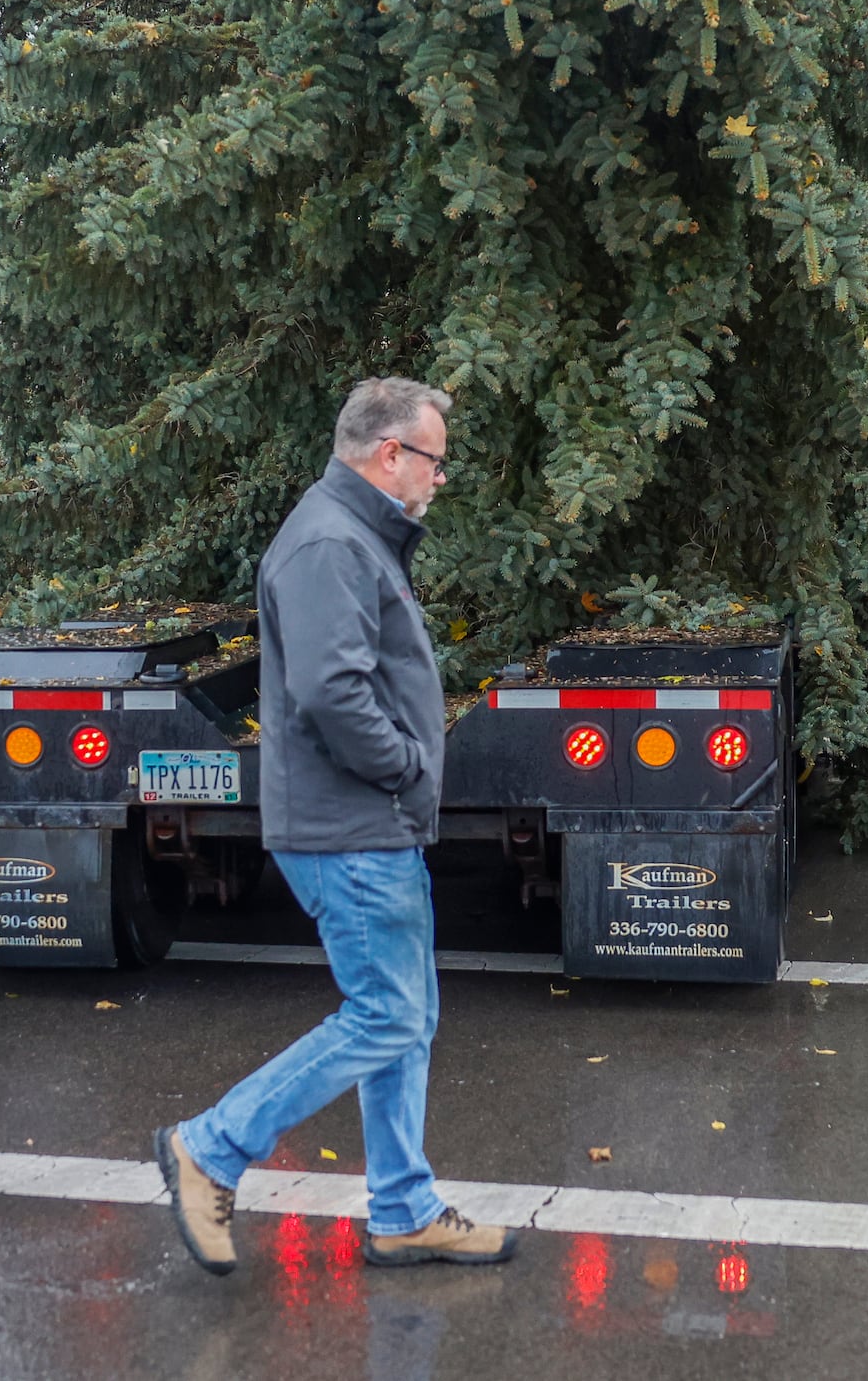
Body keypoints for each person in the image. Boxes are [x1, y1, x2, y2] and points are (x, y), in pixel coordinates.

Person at [154, 378, 518, 1272]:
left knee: (405, 1016)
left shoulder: (351, 533)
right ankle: (213, 1144)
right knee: (389, 1014)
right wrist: (405, 765)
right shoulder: (328, 541)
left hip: (368, 822)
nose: (441, 476)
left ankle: (402, 1207)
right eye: (434, 457)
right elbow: (332, 690)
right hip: (352, 824)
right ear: (390, 453)